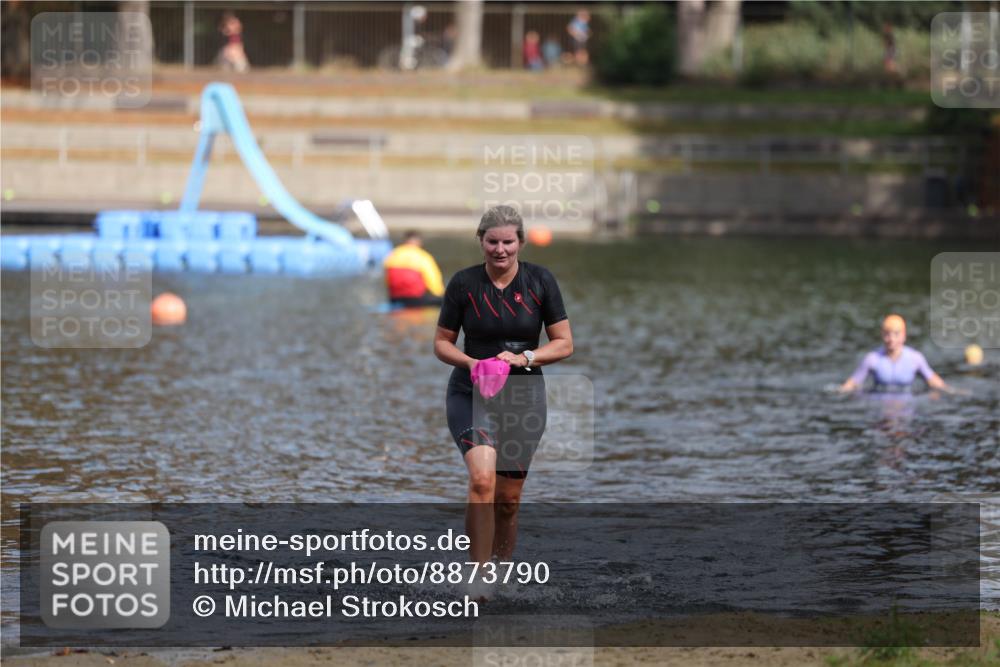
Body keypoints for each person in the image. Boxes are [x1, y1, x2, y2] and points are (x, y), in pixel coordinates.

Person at [434, 205, 573, 579]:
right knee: (482, 480)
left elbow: (563, 344)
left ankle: (500, 578)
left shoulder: (541, 282)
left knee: (508, 501)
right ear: (480, 241)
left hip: (523, 396)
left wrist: (525, 357)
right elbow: (441, 344)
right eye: (492, 241)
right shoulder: (464, 284)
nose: (500, 250)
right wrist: (470, 363)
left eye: (508, 242)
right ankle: (476, 579)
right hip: (471, 390)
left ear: (521, 243)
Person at [839, 314, 958, 394]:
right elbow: (853, 383)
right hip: (880, 405)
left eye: (896, 334)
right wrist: (839, 392)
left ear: (904, 335)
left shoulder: (915, 358)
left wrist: (953, 391)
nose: (891, 339)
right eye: (887, 334)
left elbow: (934, 381)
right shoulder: (872, 359)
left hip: (905, 404)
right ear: (882, 335)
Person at [383, 230, 444, 308]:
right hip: (416, 299)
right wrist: (440, 295)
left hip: (395, 298)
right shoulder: (422, 256)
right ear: (418, 242)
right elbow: (433, 279)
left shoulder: (393, 254)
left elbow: (387, 278)